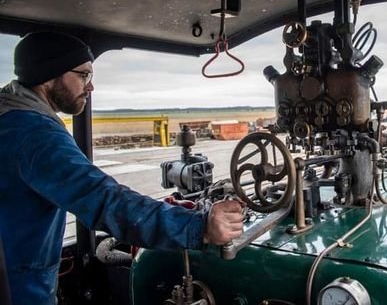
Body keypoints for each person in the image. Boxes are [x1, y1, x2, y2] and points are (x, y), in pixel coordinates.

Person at [0, 31, 244, 305]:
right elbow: (103, 198)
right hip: (18, 290)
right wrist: (198, 227)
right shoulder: (34, 135)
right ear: (48, 74)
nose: (90, 87)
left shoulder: (10, 118)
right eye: (83, 75)